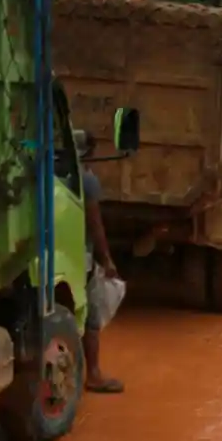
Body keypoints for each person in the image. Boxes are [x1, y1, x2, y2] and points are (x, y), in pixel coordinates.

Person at [80, 166, 124, 394]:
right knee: (91, 318)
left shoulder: (37, 171)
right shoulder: (85, 179)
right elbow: (94, 224)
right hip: (78, 257)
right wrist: (106, 260)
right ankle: (94, 374)